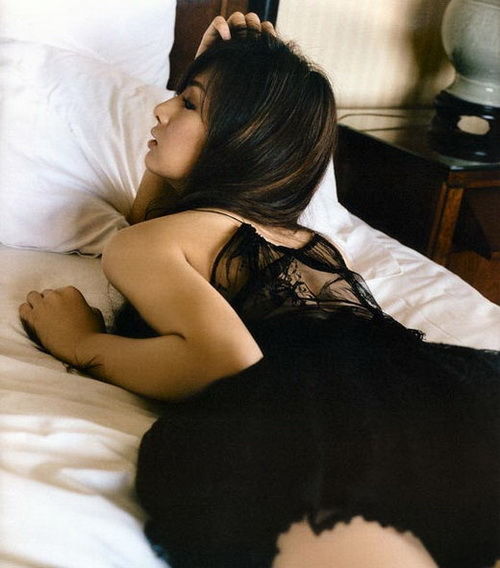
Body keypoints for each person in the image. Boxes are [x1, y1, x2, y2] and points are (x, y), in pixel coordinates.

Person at [19, 12, 499, 568]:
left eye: (188, 103)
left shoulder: (152, 245)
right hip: (432, 390)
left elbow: (224, 360)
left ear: (243, 139)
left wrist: (81, 344)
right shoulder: (298, 237)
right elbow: (151, 222)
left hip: (312, 413)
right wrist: (217, 74)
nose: (160, 109)